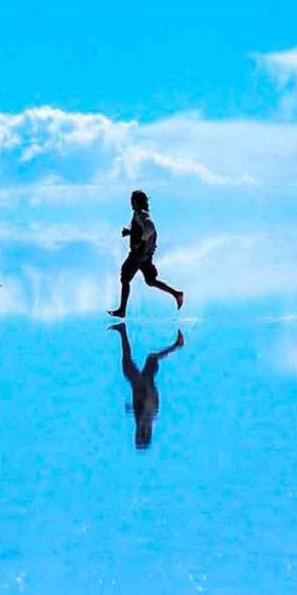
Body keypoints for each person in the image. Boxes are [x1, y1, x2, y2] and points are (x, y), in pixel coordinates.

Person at [108, 190, 184, 318]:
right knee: (150, 280)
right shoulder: (139, 215)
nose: (131, 204)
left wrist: (140, 242)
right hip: (145, 255)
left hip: (139, 254)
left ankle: (122, 310)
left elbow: (150, 228)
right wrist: (129, 232)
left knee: (125, 278)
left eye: (132, 201)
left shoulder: (141, 214)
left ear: (136, 202)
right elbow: (141, 230)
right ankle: (176, 294)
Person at [110, 322, 185, 449]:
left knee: (147, 360)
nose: (136, 435)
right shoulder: (145, 422)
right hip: (143, 386)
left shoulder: (143, 422)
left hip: (142, 386)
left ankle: (122, 330)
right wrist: (146, 391)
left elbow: (148, 407)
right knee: (141, 361)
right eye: (138, 437)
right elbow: (150, 405)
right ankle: (177, 345)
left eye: (136, 438)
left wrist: (132, 407)